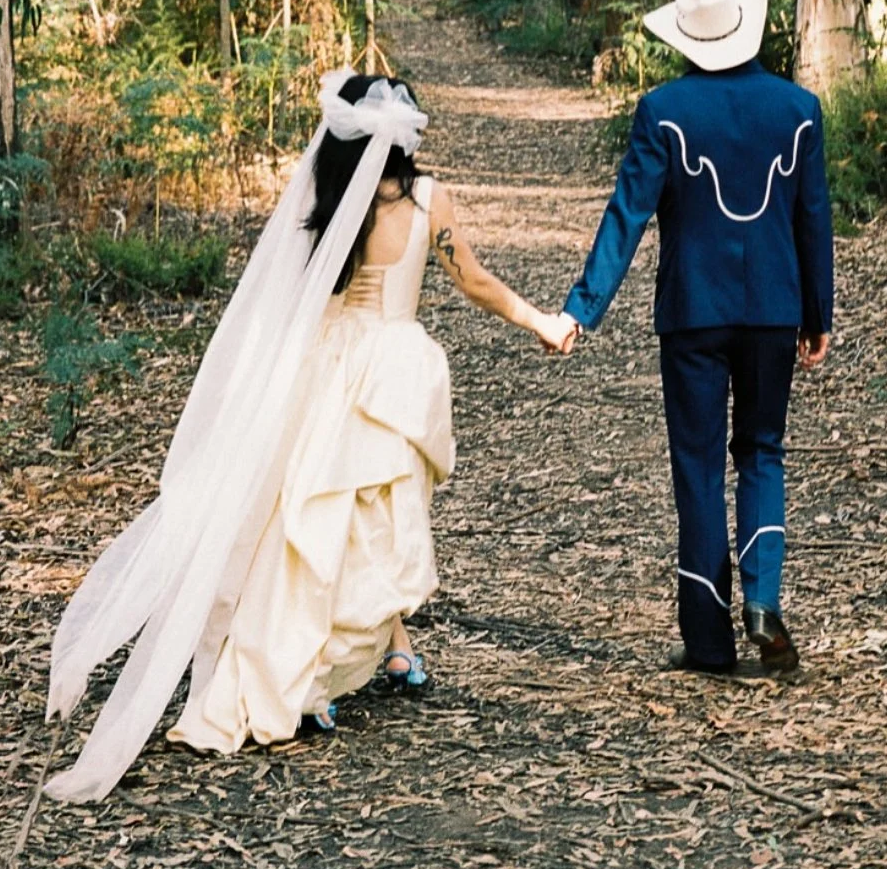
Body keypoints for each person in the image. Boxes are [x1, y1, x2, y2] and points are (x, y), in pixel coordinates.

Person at [45, 72, 573, 801]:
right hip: (391, 368)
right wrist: (540, 319)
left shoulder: (324, 203)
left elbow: (292, 298)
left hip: (324, 364)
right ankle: (315, 673)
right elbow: (473, 280)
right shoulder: (428, 201)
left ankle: (389, 649)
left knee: (319, 517)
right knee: (370, 518)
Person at [557, 0, 833, 675]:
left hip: (692, 314)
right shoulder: (797, 109)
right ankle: (763, 599)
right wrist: (816, 311)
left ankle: (709, 640)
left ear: (685, 39)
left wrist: (581, 308)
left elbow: (627, 213)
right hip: (773, 310)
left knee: (699, 467)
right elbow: (811, 219)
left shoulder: (663, 110)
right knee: (762, 451)